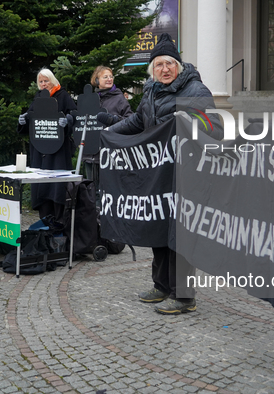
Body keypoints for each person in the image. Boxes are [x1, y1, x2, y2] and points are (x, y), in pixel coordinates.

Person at [100, 33, 222, 315]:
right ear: (152, 69)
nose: (164, 69)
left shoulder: (195, 91)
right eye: (158, 65)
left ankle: (184, 297)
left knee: (180, 236)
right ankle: (162, 286)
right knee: (158, 228)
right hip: (159, 176)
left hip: (187, 175)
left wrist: (186, 125)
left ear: (178, 65)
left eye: (169, 63)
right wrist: (108, 134)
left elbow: (213, 127)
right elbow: (137, 122)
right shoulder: (152, 91)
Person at [18, 68, 76, 222]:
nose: (44, 84)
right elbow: (30, 118)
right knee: (42, 185)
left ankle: (59, 221)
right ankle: (44, 221)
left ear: (52, 80)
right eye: (41, 81)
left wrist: (67, 121)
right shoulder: (38, 98)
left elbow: (75, 115)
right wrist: (23, 121)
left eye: (46, 81)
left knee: (57, 186)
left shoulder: (63, 95)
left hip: (58, 150)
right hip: (40, 149)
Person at [84, 66, 134, 186]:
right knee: (90, 191)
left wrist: (114, 120)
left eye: (111, 76)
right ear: (96, 80)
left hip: (111, 152)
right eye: (105, 77)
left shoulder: (119, 98)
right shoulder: (90, 99)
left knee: (109, 189)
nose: (109, 79)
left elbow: (130, 120)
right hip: (90, 153)